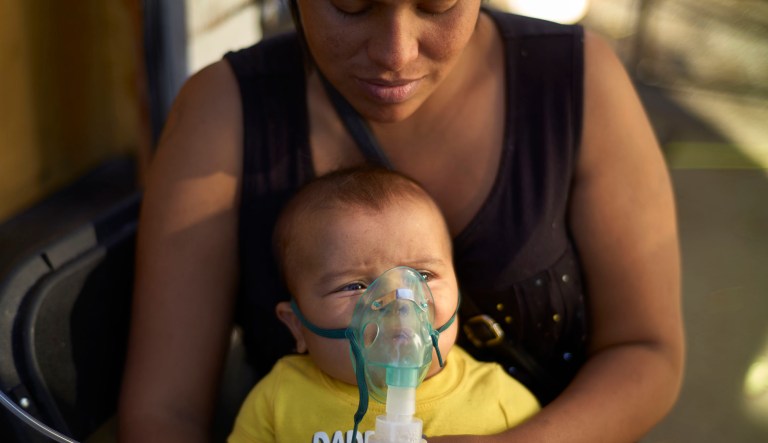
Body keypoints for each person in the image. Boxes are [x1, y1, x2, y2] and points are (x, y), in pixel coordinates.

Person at [119, 1, 685, 442]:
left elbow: (646, 351)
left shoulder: (576, 85)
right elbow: (164, 412)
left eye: (437, 6)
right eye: (352, 6)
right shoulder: (223, 113)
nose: (396, 52)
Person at [227, 167, 540, 442]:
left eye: (423, 274)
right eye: (355, 286)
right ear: (297, 325)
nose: (399, 303)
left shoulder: (498, 399)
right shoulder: (279, 400)